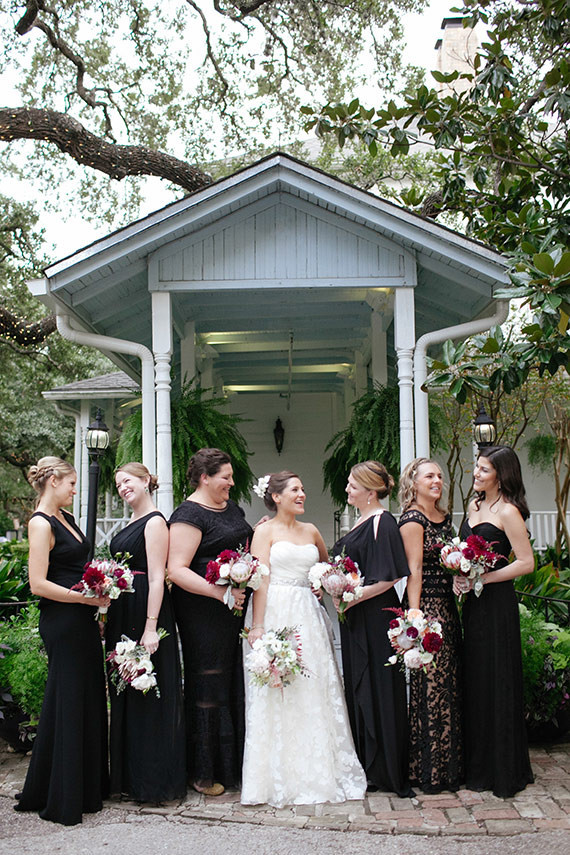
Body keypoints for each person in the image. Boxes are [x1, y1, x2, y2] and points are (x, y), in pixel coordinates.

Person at [241, 471, 367, 808]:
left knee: (315, 687)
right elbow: (260, 581)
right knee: (280, 689)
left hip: (309, 616)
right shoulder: (263, 532)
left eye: (302, 488)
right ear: (277, 496)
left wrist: (323, 583)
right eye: (295, 489)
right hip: (277, 612)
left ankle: (322, 770)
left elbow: (326, 569)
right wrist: (258, 626)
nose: (302, 494)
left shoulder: (311, 531)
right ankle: (278, 777)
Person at [14, 457, 109, 825]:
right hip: (62, 621)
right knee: (69, 701)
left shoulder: (66, 519)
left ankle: (84, 787)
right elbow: (38, 584)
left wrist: (97, 597)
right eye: (71, 484)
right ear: (54, 480)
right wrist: (86, 598)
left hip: (81, 620)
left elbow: (76, 568)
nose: (74, 490)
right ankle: (64, 796)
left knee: (84, 697)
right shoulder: (40, 524)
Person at [167, 448, 253, 797]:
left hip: (232, 608)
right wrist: (219, 594)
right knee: (208, 683)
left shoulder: (231, 508)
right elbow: (177, 569)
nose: (231, 483)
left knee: (230, 679)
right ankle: (202, 772)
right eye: (226, 477)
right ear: (205, 477)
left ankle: (230, 767)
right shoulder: (187, 514)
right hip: (202, 610)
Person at [455, 445, 534, 798]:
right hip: (472, 607)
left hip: (497, 605)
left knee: (497, 677)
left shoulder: (508, 511)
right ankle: (478, 765)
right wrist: (459, 575)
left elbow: (526, 562)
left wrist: (483, 579)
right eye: (477, 468)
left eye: (484, 470)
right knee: (476, 678)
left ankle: (503, 768)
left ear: (500, 475)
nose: (476, 474)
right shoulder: (473, 506)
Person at [332, 461, 413, 798]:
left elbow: (390, 577)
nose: (347, 489)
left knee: (380, 688)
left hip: (375, 616)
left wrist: (353, 597)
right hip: (355, 618)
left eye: (352, 485)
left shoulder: (384, 522)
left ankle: (389, 768)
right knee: (359, 687)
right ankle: (368, 766)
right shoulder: (360, 521)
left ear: (369, 490)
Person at [106, 463, 186, 803]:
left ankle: (151, 781)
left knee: (146, 692)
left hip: (144, 611)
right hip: (122, 610)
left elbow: (157, 577)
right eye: (119, 484)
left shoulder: (155, 522)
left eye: (128, 481)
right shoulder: (131, 523)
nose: (123, 488)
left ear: (145, 481)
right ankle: (127, 777)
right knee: (125, 689)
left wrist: (152, 627)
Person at [398, 458, 463, 793]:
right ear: (414, 482)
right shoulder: (413, 518)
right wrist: (415, 617)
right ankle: (429, 770)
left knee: (449, 686)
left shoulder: (444, 515)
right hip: (428, 609)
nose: (437, 480)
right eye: (429, 476)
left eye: (439, 475)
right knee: (430, 688)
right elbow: (415, 570)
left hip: (449, 609)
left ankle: (451, 765)